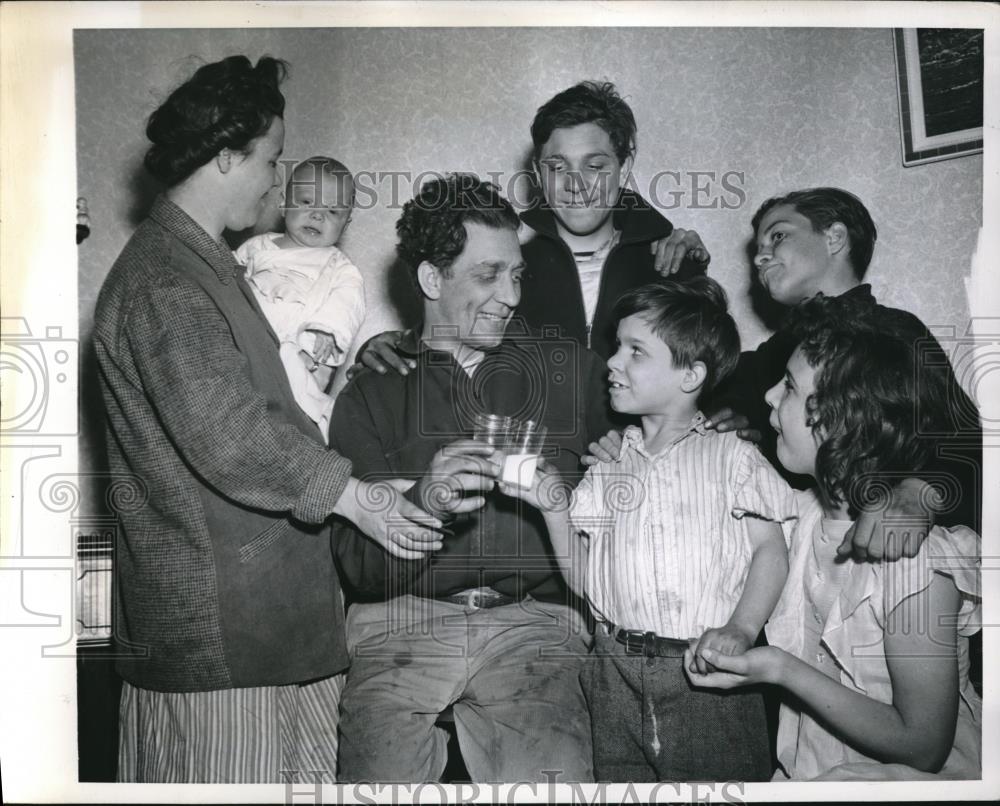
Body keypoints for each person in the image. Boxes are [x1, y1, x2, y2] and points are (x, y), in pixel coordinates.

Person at [92, 55, 441, 784]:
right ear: (227, 154)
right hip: (222, 641)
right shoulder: (165, 280)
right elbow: (228, 432)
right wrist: (356, 497)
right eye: (272, 159)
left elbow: (280, 384)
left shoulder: (213, 266)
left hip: (274, 624)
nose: (278, 183)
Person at [330, 173, 610, 783]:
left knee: (555, 784)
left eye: (516, 274)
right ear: (432, 279)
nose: (510, 295)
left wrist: (717, 420)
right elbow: (356, 568)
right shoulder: (373, 392)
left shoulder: (573, 373)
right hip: (398, 625)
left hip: (534, 627)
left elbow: (674, 402)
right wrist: (423, 503)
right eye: (488, 275)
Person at [503, 277, 796, 782]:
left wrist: (742, 628)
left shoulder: (734, 458)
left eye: (635, 351)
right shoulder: (607, 468)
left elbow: (771, 550)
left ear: (690, 376)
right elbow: (589, 581)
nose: (613, 362)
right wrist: (553, 510)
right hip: (612, 671)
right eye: (617, 347)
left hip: (705, 675)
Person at [685, 294, 982, 781]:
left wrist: (781, 670)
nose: (767, 398)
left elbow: (922, 746)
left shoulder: (917, 558)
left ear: (842, 422)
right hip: (808, 774)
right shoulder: (794, 515)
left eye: (788, 387)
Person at [351, 80, 711, 376]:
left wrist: (736, 410)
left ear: (624, 166)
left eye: (595, 166)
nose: (576, 184)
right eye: (557, 166)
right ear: (538, 172)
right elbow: (454, 338)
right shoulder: (509, 273)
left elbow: (712, 367)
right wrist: (394, 346)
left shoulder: (671, 263)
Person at [236, 156, 364, 438]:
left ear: (346, 223)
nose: (317, 215)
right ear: (284, 203)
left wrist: (328, 330)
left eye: (332, 211)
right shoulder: (257, 247)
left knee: (294, 409)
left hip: (300, 350)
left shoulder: (340, 267)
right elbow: (227, 278)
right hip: (249, 341)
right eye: (307, 202)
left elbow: (348, 302)